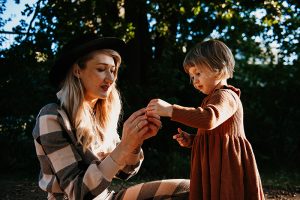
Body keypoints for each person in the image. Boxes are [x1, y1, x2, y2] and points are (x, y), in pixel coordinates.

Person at [32, 33, 190, 200]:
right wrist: (124, 145)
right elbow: (78, 192)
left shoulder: (101, 116)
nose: (110, 78)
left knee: (192, 188)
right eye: (101, 69)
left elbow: (125, 172)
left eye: (113, 71)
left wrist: (134, 143)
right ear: (78, 70)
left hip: (108, 197)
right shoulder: (51, 117)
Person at [146, 39, 265, 200]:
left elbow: (209, 119)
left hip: (227, 166)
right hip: (215, 165)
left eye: (198, 73)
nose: (194, 81)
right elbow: (214, 135)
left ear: (218, 69)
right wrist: (194, 140)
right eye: (191, 76)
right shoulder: (211, 98)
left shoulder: (226, 95)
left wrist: (170, 110)